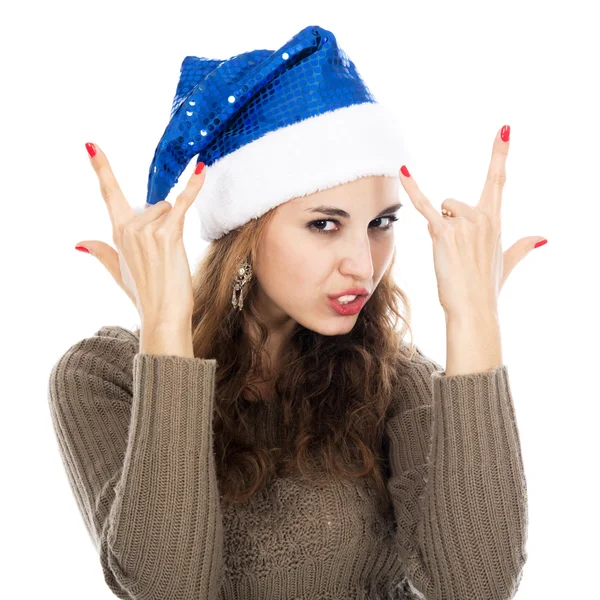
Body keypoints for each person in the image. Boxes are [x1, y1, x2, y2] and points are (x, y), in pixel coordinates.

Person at [48, 24, 537, 600]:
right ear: (244, 232)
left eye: (381, 223)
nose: (363, 264)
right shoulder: (104, 376)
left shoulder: (399, 382)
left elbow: (478, 587)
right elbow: (168, 586)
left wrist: (474, 317)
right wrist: (166, 331)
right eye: (325, 224)